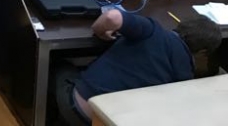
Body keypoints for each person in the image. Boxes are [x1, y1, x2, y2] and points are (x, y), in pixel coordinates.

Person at [55, 10, 221, 126]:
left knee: (59, 64)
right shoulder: (184, 80)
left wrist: (99, 30)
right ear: (203, 52)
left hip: (78, 109)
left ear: (180, 25)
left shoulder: (152, 30)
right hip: (112, 121)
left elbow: (112, 17)